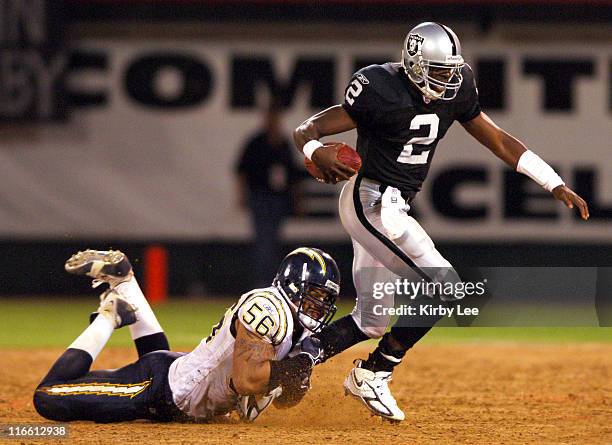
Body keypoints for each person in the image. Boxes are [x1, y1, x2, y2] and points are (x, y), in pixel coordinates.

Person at [291, 22, 590, 421]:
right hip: (372, 201)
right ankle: (375, 371)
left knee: (371, 319)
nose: (447, 78)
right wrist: (314, 149)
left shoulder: (458, 85)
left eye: (451, 69)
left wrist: (552, 182)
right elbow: (306, 128)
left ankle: (291, 364)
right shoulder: (379, 86)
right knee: (446, 287)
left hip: (393, 207)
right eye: (437, 70)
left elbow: (498, 139)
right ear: (414, 65)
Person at [33, 247, 339, 422]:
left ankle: (124, 281)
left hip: (177, 378)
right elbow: (248, 379)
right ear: (293, 287)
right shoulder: (267, 308)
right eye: (315, 296)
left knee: (173, 373)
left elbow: (283, 399)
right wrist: (299, 366)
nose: (318, 307)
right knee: (47, 398)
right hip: (159, 389)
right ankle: (109, 316)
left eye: (325, 301)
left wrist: (300, 371)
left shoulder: (298, 328)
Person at [235, 99, 302, 287]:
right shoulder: (256, 142)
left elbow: (293, 176)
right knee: (263, 243)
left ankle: (272, 281)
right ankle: (262, 283)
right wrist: (242, 196)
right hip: (260, 197)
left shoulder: (283, 144)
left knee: (273, 243)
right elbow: (241, 170)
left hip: (278, 199)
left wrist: (297, 200)